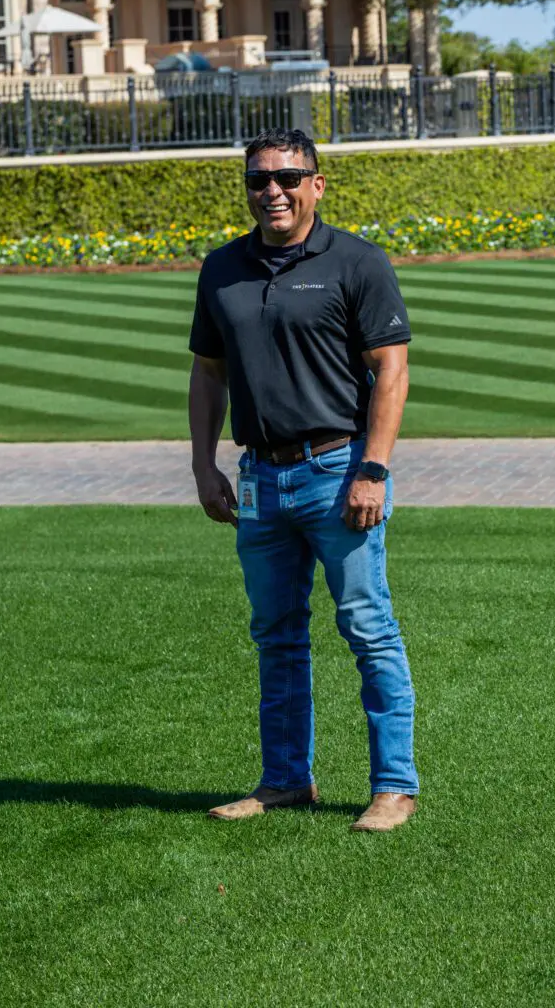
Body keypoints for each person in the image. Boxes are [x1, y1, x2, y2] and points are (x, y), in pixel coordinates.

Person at [189, 127, 418, 832]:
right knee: (276, 635)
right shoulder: (222, 267)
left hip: (336, 470)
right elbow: (208, 372)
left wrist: (372, 469)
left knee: (367, 627)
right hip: (260, 478)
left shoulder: (355, 261)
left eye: (288, 177)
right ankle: (286, 780)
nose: (273, 191)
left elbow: (391, 369)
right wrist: (204, 463)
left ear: (316, 184)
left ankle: (393, 788)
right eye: (259, 179)